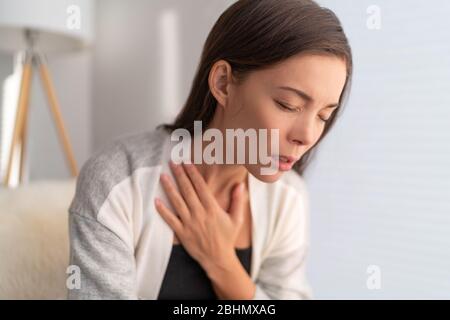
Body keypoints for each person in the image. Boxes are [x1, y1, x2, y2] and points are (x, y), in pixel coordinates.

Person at [67, 0, 353, 300]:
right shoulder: (118, 181)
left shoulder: (288, 198)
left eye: (323, 115)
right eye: (288, 105)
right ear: (223, 83)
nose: (307, 136)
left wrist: (223, 264)